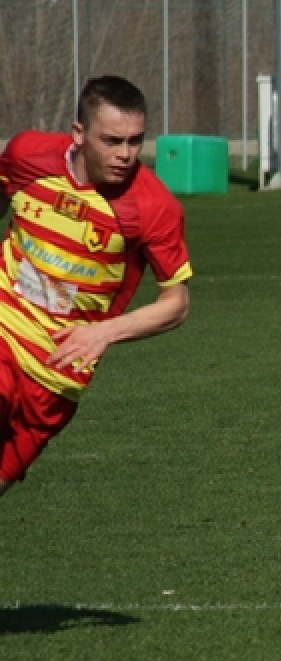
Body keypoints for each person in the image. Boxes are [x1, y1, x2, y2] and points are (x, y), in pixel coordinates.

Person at [0, 75, 192, 498]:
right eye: (112, 141)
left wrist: (103, 332)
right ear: (79, 133)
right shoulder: (27, 154)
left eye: (135, 141)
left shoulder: (153, 206)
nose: (125, 154)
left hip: (57, 377)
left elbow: (176, 303)